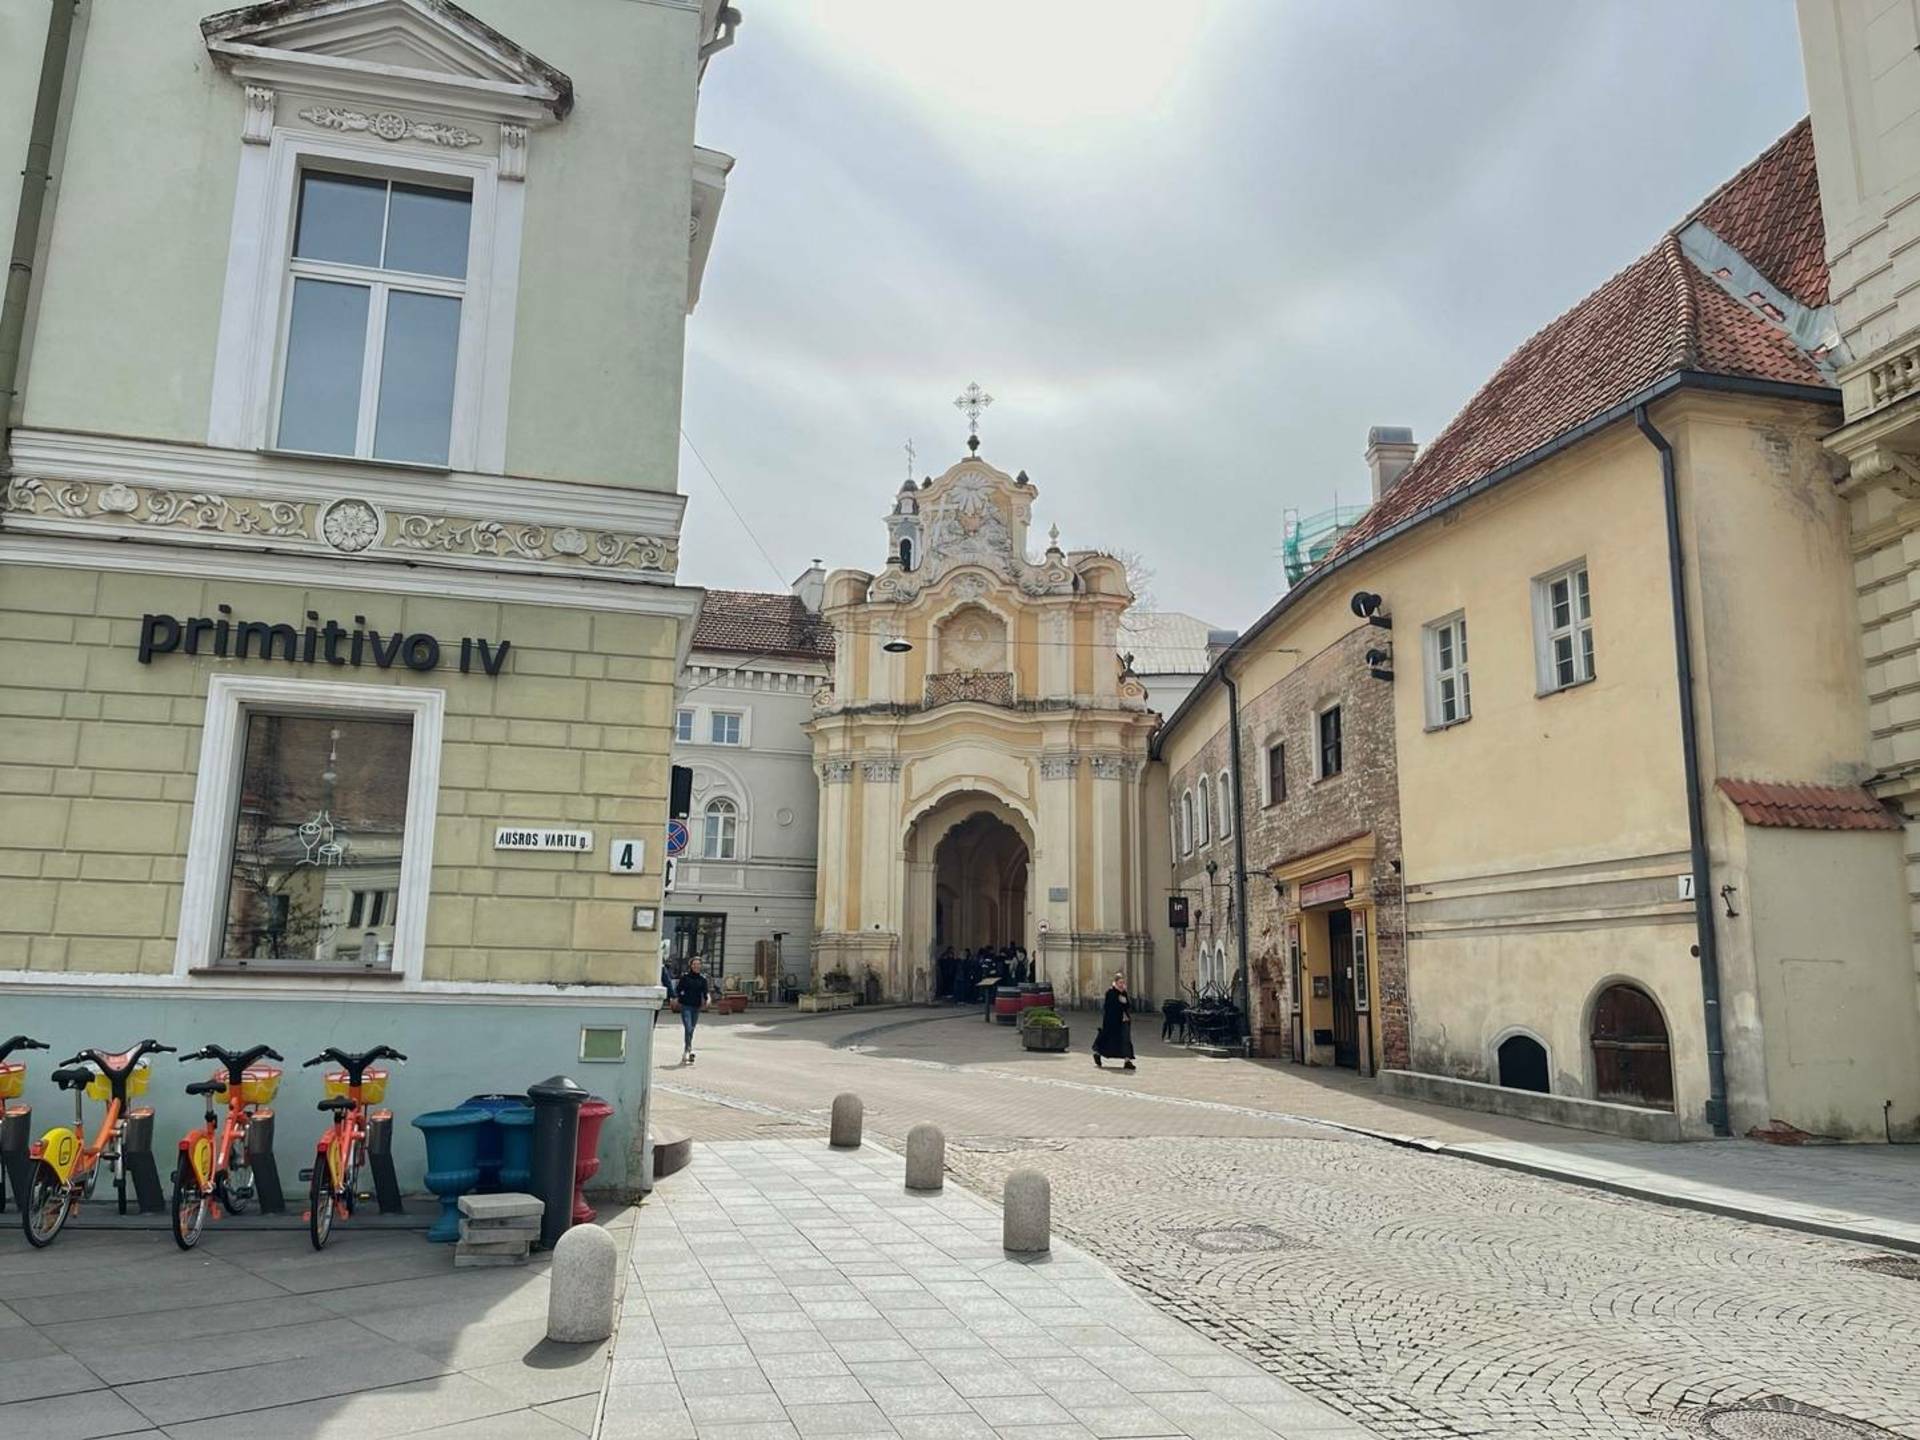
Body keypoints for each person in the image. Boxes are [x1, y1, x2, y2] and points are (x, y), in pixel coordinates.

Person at [1092, 971, 1135, 1071]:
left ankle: (1127, 1061)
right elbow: (1109, 1007)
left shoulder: (1124, 992)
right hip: (1112, 1021)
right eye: (1120, 982)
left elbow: (1128, 1005)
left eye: (1123, 982)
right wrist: (1120, 1001)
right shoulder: (1110, 992)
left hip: (1124, 1020)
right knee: (1108, 1039)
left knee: (1126, 1040)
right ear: (1115, 982)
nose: (1122, 985)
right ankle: (1097, 1054)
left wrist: (1124, 1001)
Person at [675, 956, 711, 1064]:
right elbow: (678, 990)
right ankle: (688, 1050)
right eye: (694, 964)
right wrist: (679, 997)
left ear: (701, 966)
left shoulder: (702, 979)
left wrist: (708, 999)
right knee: (688, 1027)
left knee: (691, 1029)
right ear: (690, 965)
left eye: (698, 964)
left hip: (696, 1007)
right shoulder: (685, 977)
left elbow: (705, 992)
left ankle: (687, 1050)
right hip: (686, 1006)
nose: (696, 966)